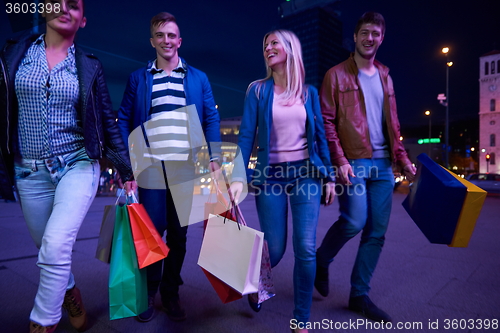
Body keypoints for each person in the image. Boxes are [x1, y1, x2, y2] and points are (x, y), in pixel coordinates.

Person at [0, 0, 134, 332]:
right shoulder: (14, 53)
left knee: (57, 244)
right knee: (48, 249)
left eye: (73, 5)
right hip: (28, 171)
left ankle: (42, 323)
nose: (64, 8)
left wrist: (125, 171)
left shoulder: (89, 66)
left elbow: (107, 120)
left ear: (82, 20)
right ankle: (70, 290)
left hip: (77, 163)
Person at [117, 12, 221, 323]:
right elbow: (123, 119)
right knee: (154, 231)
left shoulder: (198, 78)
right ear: (152, 41)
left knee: (178, 235)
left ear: (179, 41)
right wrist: (127, 163)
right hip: (149, 166)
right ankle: (148, 290)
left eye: (171, 35)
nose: (166, 41)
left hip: (185, 167)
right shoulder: (139, 77)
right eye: (160, 35)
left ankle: (170, 291)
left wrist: (214, 158)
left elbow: (211, 118)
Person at [230, 30, 335, 333]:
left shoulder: (309, 93)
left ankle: (301, 318)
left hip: (306, 173)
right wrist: (239, 176)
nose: (268, 48)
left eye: (275, 43)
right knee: (274, 250)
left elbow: (321, 140)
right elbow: (246, 136)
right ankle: (254, 281)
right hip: (270, 175)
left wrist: (327, 175)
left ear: (290, 48)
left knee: (305, 246)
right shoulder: (258, 91)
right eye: (265, 45)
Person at [315, 12, 416, 323]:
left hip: (384, 165)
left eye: (375, 33)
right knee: (354, 220)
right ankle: (322, 258)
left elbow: (393, 122)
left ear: (381, 38)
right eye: (365, 32)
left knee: (376, 232)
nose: (370, 38)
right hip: (354, 161)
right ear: (355, 37)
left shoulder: (386, 76)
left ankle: (359, 295)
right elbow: (327, 122)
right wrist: (340, 161)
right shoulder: (336, 75)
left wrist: (402, 158)